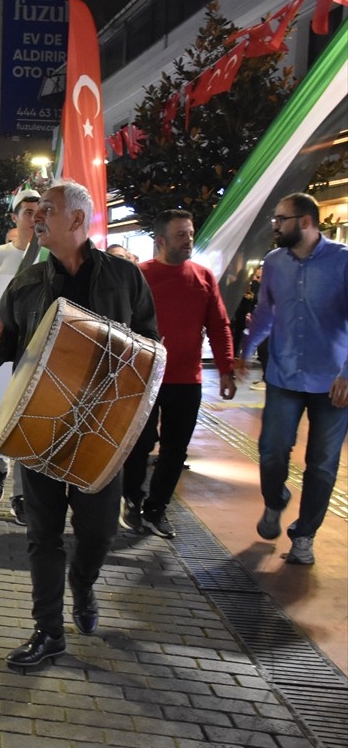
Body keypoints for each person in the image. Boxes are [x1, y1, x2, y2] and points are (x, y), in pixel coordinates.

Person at [0, 180, 158, 668]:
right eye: (37, 212)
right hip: (41, 428)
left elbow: (150, 349)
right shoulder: (27, 283)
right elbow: (3, 350)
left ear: (78, 220)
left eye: (49, 211)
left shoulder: (124, 278)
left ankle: (83, 580)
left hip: (100, 433)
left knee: (99, 532)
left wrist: (133, 421)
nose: (38, 218)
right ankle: (47, 632)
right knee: (43, 534)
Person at [236, 192, 348, 566]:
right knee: (271, 450)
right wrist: (245, 350)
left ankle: (304, 536)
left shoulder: (343, 262)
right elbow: (266, 312)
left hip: (332, 381)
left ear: (305, 222)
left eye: (281, 219)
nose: (275, 226)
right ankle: (274, 500)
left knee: (321, 463)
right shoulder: (274, 262)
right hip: (284, 374)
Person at [120, 209, 236, 539]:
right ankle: (131, 500)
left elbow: (219, 324)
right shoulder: (139, 275)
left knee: (175, 449)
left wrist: (226, 369)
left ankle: (157, 509)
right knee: (139, 445)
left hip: (188, 380)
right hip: (144, 378)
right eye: (181, 235)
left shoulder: (203, 276)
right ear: (160, 241)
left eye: (190, 233)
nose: (188, 240)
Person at [0, 189, 40, 520]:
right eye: (27, 212)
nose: (33, 218)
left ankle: (20, 494)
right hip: (0, 352)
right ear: (15, 217)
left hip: (31, 352)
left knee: (24, 421)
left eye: (38, 211)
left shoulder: (50, 256)